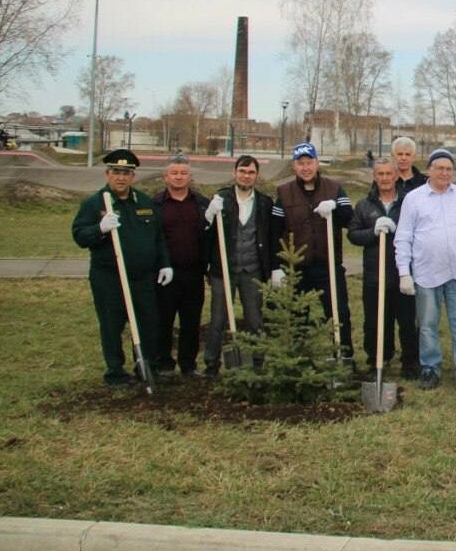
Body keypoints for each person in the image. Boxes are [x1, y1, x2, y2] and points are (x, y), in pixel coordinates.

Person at [71, 149, 172, 386]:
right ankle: (115, 372)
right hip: (109, 277)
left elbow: (158, 238)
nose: (121, 177)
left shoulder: (145, 202)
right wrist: (99, 229)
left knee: (148, 322)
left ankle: (145, 366)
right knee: (112, 324)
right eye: (116, 172)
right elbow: (79, 236)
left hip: (142, 277)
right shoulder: (94, 204)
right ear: (107, 174)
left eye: (126, 173)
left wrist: (165, 264)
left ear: (133, 176)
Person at [395, 148, 456, 392]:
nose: (445, 173)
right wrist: (404, 272)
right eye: (440, 168)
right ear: (430, 170)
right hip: (427, 273)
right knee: (427, 324)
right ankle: (430, 368)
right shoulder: (414, 198)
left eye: (449, 169)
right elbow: (403, 237)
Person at [270, 142, 355, 356]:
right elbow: (274, 231)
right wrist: (276, 266)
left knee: (338, 313)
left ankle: (343, 357)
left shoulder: (334, 188)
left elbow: (349, 219)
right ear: (294, 166)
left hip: (328, 266)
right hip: (297, 267)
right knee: (297, 316)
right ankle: (299, 360)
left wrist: (335, 208)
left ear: (317, 163)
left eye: (309, 162)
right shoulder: (284, 192)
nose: (305, 167)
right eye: (301, 163)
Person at [202, 154, 272, 377]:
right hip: (223, 270)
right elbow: (204, 233)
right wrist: (208, 216)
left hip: (252, 270)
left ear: (257, 176)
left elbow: (270, 236)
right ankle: (211, 365)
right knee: (218, 319)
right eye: (242, 171)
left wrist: (273, 268)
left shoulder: (264, 202)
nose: (246, 176)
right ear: (234, 173)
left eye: (251, 172)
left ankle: (258, 363)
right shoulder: (221, 199)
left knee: (254, 319)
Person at [348, 158, 417, 376]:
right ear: (374, 176)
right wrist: (373, 232)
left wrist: (398, 232)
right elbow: (353, 235)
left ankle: (410, 362)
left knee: (407, 320)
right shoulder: (364, 205)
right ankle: (378, 359)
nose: (385, 178)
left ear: (396, 176)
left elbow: (420, 232)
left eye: (389, 174)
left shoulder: (408, 202)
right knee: (375, 321)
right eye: (380, 174)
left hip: (403, 273)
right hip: (375, 275)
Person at [152, 154, 210, 376]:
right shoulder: (155, 204)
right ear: (166, 177)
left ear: (190, 176)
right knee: (163, 320)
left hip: (193, 273)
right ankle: (164, 363)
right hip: (165, 274)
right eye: (174, 173)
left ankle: (188, 364)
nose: (179, 177)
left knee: (191, 321)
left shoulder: (201, 204)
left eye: (183, 173)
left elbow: (210, 236)